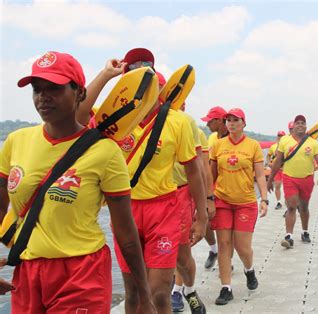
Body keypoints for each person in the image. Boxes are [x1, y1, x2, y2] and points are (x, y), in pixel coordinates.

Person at [0, 51, 155, 313]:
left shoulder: (105, 152)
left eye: (54, 89)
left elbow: (126, 234)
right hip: (27, 272)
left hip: (82, 274)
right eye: (37, 89)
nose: (43, 97)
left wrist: (144, 296)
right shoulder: (17, 141)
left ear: (79, 93)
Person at [77, 48, 207, 313]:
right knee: (133, 293)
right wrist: (105, 75)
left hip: (164, 211)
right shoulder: (113, 117)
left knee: (159, 293)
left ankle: (184, 293)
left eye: (152, 83)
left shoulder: (178, 121)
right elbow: (78, 116)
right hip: (125, 211)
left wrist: (202, 216)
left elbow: (194, 171)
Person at [209, 108, 268, 305]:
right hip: (222, 200)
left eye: (236, 120)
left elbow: (260, 175)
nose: (231, 123)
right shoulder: (218, 145)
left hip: (245, 202)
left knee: (243, 248)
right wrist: (207, 199)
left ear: (244, 123)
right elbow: (211, 176)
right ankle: (226, 288)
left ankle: (249, 270)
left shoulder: (253, 146)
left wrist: (265, 199)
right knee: (224, 245)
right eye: (228, 120)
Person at [170, 103, 214, 313]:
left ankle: (186, 290)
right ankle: (173, 290)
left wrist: (206, 202)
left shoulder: (192, 129)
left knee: (182, 251)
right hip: (151, 197)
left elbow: (202, 169)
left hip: (182, 194)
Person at [267, 115, 318, 248]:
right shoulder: (285, 141)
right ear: (293, 126)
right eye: (297, 123)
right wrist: (270, 180)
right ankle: (289, 237)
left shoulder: (313, 143)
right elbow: (277, 162)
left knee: (304, 207)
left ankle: (305, 231)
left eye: (302, 123)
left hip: (307, 179)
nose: (300, 125)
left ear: (306, 126)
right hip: (289, 178)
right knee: (292, 206)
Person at [200, 106, 228, 269]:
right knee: (205, 220)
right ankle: (213, 249)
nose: (207, 125)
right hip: (210, 186)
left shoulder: (232, 137)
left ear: (219, 121)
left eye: (210, 121)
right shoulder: (211, 139)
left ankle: (226, 260)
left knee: (224, 229)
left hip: (226, 188)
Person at [266, 131, 286, 209]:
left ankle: (288, 201)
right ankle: (279, 202)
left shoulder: (287, 146)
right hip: (276, 169)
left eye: (282, 136)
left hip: (285, 169)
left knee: (287, 187)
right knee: (277, 185)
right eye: (279, 135)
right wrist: (268, 163)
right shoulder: (273, 146)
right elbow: (268, 156)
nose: (280, 137)